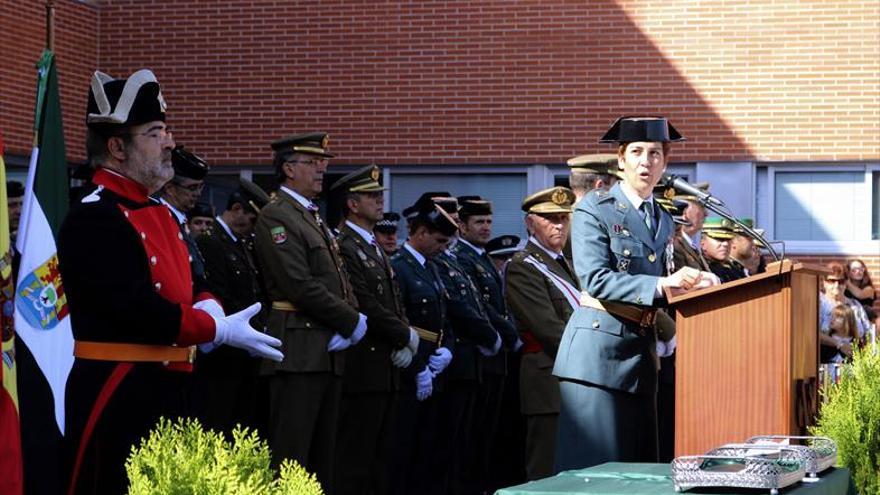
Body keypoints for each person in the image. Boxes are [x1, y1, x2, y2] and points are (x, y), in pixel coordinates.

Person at [59, 69, 282, 494]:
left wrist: (210, 303)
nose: (170, 142)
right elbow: (137, 309)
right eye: (156, 132)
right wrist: (215, 328)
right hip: (120, 391)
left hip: (172, 390)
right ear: (116, 147)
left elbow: (195, 279)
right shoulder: (94, 215)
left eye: (167, 130)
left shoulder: (160, 211)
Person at [553, 116, 718, 472]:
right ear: (621, 160)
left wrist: (694, 287)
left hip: (641, 356)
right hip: (597, 357)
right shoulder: (593, 208)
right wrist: (663, 285)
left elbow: (659, 285)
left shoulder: (661, 217)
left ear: (666, 162)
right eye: (638, 152)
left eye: (656, 153)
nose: (647, 161)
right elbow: (595, 279)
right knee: (594, 474)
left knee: (637, 472)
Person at [253, 132, 368, 491]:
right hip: (297, 351)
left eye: (324, 163)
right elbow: (298, 283)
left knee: (322, 456)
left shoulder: (308, 215)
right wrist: (349, 320)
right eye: (312, 163)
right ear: (288, 168)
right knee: (293, 456)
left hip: (324, 347)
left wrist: (351, 314)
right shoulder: (278, 215)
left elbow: (338, 279)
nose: (322, 170)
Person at [329, 165, 419, 495]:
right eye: (371, 196)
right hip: (363, 367)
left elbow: (394, 299)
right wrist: (403, 335)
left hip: (385, 367)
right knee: (355, 458)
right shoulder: (346, 245)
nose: (379, 201)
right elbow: (363, 302)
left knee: (381, 457)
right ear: (352, 204)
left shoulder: (372, 245)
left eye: (379, 195)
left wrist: (405, 335)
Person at [505, 186, 579, 480]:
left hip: (574, 380)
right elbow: (549, 329)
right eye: (549, 218)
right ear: (529, 222)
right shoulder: (523, 267)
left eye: (563, 217)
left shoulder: (567, 264)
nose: (558, 224)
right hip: (547, 380)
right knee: (546, 469)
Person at [389, 196, 458, 495]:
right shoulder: (400, 267)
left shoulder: (431, 267)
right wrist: (418, 368)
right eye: (439, 240)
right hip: (410, 367)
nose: (444, 247)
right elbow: (398, 321)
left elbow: (446, 315)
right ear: (420, 234)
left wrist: (449, 350)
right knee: (406, 448)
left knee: (432, 448)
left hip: (435, 365)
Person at [452, 195, 521, 493]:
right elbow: (480, 306)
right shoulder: (462, 258)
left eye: (489, 222)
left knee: (487, 432)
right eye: (478, 222)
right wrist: (507, 334)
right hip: (481, 352)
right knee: (471, 431)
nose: (485, 228)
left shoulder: (479, 256)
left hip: (496, 355)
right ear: (461, 225)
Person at [192, 178, 271, 436]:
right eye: (251, 219)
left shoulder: (241, 243)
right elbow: (220, 296)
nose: (252, 228)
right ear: (237, 209)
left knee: (242, 424)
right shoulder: (210, 242)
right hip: (224, 353)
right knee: (220, 423)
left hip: (245, 353)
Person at [157, 145, 210, 282]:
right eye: (192, 188)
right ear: (169, 188)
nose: (198, 194)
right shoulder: (162, 221)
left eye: (200, 187)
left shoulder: (179, 219)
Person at [819, 262, 872, 361]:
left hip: (855, 362)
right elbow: (813, 333)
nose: (837, 285)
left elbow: (868, 333)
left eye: (841, 281)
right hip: (826, 361)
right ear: (824, 282)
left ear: (846, 283)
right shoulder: (819, 304)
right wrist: (839, 344)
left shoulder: (855, 305)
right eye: (832, 280)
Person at [700, 217, 745, 283]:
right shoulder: (698, 267)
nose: (725, 244)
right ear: (702, 243)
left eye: (728, 239)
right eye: (719, 239)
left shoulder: (735, 270)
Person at [845, 259, 877, 325]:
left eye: (861, 269)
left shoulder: (869, 288)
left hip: (867, 322)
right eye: (854, 269)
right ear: (848, 272)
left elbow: (860, 295)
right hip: (849, 322)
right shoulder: (844, 288)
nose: (858, 271)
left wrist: (846, 282)